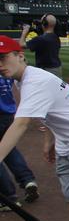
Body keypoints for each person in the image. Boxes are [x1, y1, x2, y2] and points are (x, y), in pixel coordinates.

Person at [0, 36, 69, 221]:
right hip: (66, 144)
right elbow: (50, 111)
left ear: (20, 56)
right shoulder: (22, 79)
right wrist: (49, 141)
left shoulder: (35, 81)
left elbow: (21, 123)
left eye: (3, 58)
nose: (0, 65)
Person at [0, 76, 39, 205]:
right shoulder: (4, 68)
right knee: (9, 148)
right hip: (8, 114)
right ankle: (27, 180)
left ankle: (8, 197)